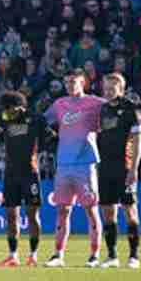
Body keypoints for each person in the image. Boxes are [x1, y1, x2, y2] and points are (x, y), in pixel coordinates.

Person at [43, 69, 105, 267]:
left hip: (85, 164)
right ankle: (58, 255)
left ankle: (94, 255)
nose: (70, 85)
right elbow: (42, 121)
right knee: (63, 210)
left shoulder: (95, 103)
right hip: (63, 164)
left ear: (83, 82)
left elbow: (115, 111)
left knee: (91, 209)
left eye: (74, 82)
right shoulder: (59, 104)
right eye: (67, 82)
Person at [0, 91, 53, 267]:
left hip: (30, 173)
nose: (6, 113)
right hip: (10, 174)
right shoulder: (5, 118)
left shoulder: (36, 119)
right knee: (11, 215)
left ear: (19, 107)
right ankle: (13, 255)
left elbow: (49, 138)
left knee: (32, 214)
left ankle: (33, 255)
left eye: (9, 110)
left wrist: (45, 151)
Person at [96, 73, 141, 269]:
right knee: (108, 212)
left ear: (121, 89)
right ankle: (112, 256)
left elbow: (137, 141)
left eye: (112, 88)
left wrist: (134, 168)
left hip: (125, 168)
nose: (108, 92)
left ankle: (134, 256)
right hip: (106, 168)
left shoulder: (131, 109)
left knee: (130, 211)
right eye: (106, 88)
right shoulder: (103, 110)